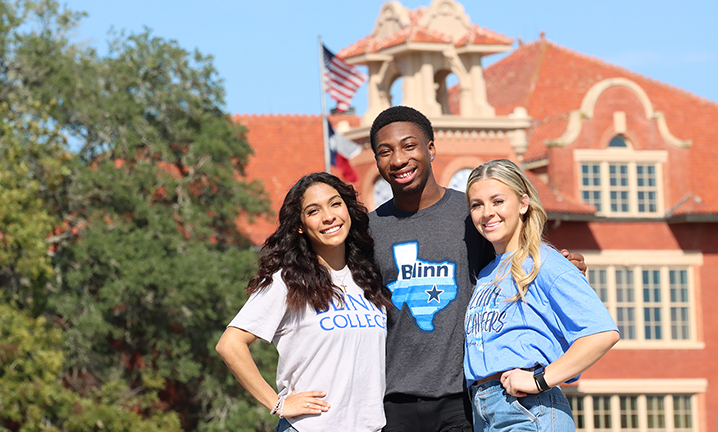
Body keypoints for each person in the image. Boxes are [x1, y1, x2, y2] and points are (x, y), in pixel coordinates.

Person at [367, 106, 587, 432]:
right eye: (385, 152)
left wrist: (563, 266)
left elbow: (518, 254)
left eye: (409, 146)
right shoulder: (369, 230)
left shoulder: (472, 214)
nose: (398, 159)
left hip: (465, 400)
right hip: (392, 402)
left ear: (430, 149)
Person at [215, 172, 393, 432]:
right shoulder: (287, 282)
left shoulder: (369, 279)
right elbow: (230, 344)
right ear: (300, 225)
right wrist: (277, 404)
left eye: (335, 204)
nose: (329, 216)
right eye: (313, 211)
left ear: (347, 210)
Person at [464, 159, 619, 431]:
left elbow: (602, 333)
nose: (487, 212)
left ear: (523, 204)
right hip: (485, 412)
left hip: (528, 410)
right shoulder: (487, 272)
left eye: (498, 201)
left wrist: (540, 379)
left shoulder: (545, 262)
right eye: (477, 205)